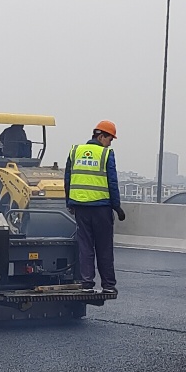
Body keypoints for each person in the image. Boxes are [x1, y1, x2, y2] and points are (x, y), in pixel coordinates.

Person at [67, 120, 125, 295]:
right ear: (101, 136)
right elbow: (112, 183)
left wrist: (69, 202)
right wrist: (117, 206)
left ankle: (87, 283)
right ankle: (108, 284)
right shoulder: (106, 154)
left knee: (85, 246)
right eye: (110, 139)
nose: (110, 143)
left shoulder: (75, 150)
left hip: (80, 208)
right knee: (104, 247)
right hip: (101, 208)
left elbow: (67, 179)